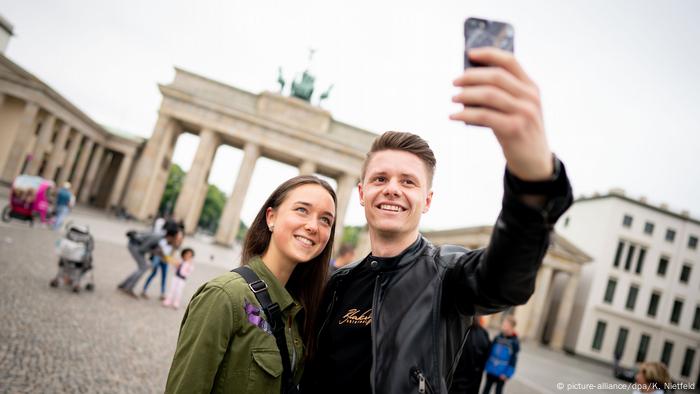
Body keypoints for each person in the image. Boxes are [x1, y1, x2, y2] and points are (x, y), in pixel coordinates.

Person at [301, 47, 572, 393]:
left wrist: (531, 182)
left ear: (427, 201)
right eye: (380, 179)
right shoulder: (337, 284)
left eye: (408, 181)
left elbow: (505, 280)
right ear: (362, 193)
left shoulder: (447, 275)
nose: (392, 190)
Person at [165, 175, 337, 393]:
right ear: (271, 217)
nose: (313, 226)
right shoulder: (224, 296)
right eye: (302, 210)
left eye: (326, 220)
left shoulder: (301, 309)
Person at [118, 228, 183, 298]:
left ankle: (124, 285)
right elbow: (143, 248)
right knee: (143, 267)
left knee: (143, 267)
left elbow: (159, 250)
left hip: (137, 246)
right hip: (134, 245)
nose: (177, 239)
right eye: (176, 237)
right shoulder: (157, 238)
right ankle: (128, 288)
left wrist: (160, 253)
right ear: (171, 236)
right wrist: (154, 251)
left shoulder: (162, 236)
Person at [450, 316, 491, 394]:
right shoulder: (484, 334)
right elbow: (486, 357)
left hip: (456, 383)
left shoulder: (457, 330)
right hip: (471, 383)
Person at [482, 315, 520, 394]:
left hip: (502, 373)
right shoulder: (498, 337)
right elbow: (489, 352)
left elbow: (513, 360)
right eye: (503, 324)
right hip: (491, 369)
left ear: (512, 327)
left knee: (498, 391)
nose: (503, 327)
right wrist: (485, 364)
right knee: (486, 389)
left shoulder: (514, 342)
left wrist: (507, 374)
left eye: (506, 325)